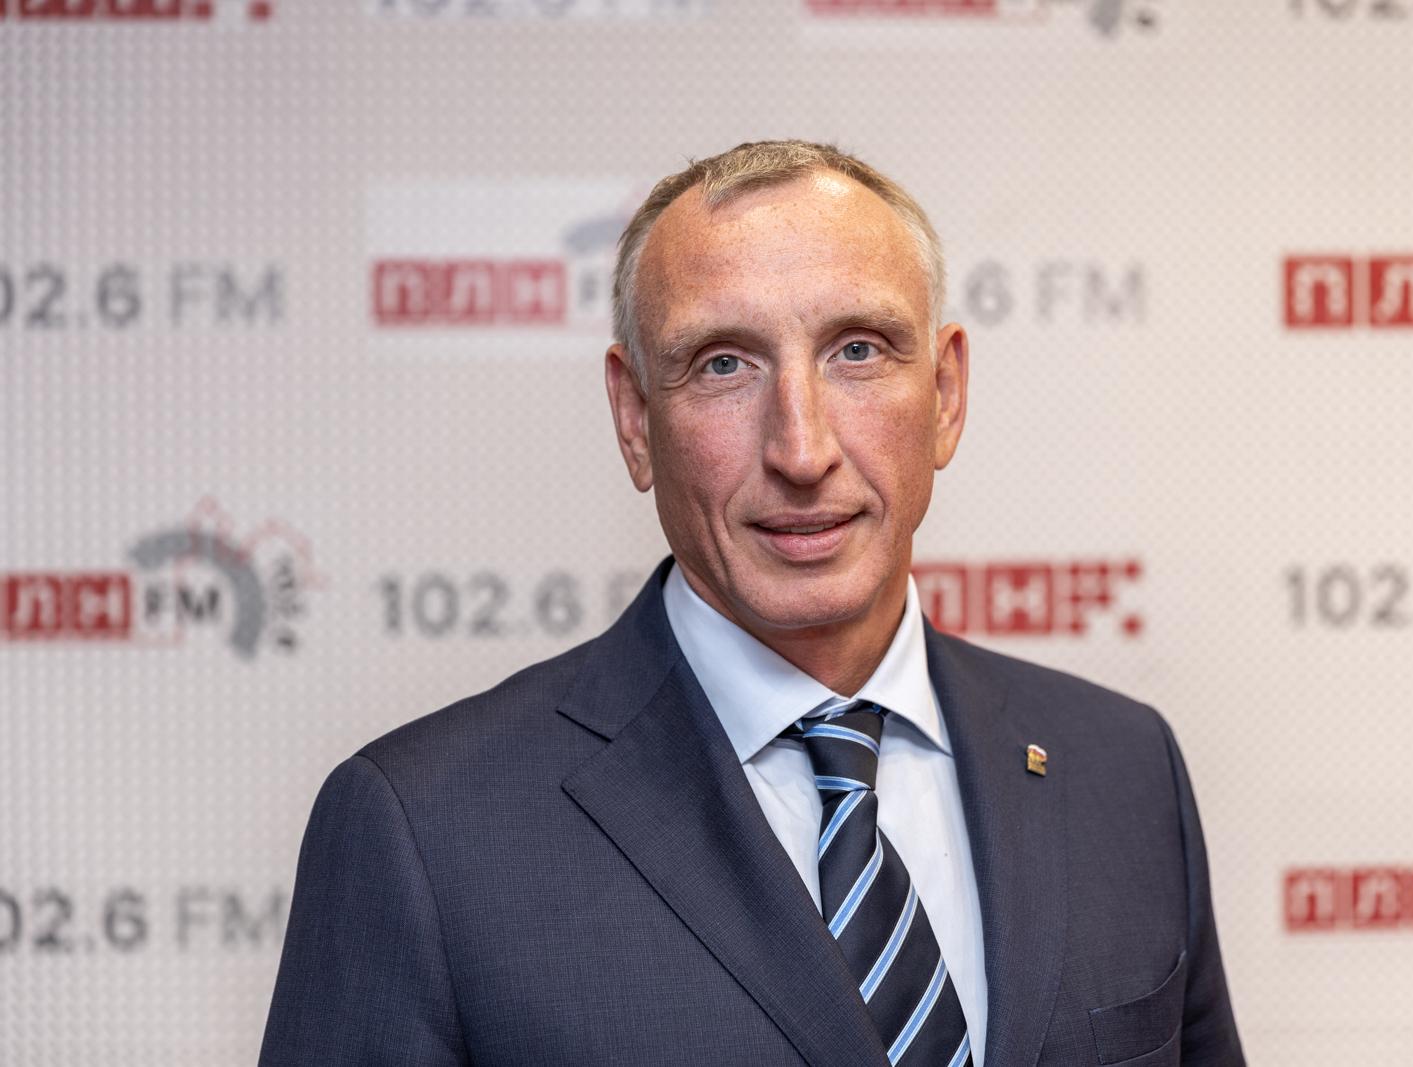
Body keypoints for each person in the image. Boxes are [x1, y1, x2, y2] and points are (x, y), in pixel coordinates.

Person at [259, 140, 1245, 1066]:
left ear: (945, 393)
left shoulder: (1124, 769)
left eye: (858, 350)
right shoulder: (425, 832)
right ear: (634, 418)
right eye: (723, 364)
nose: (802, 449)